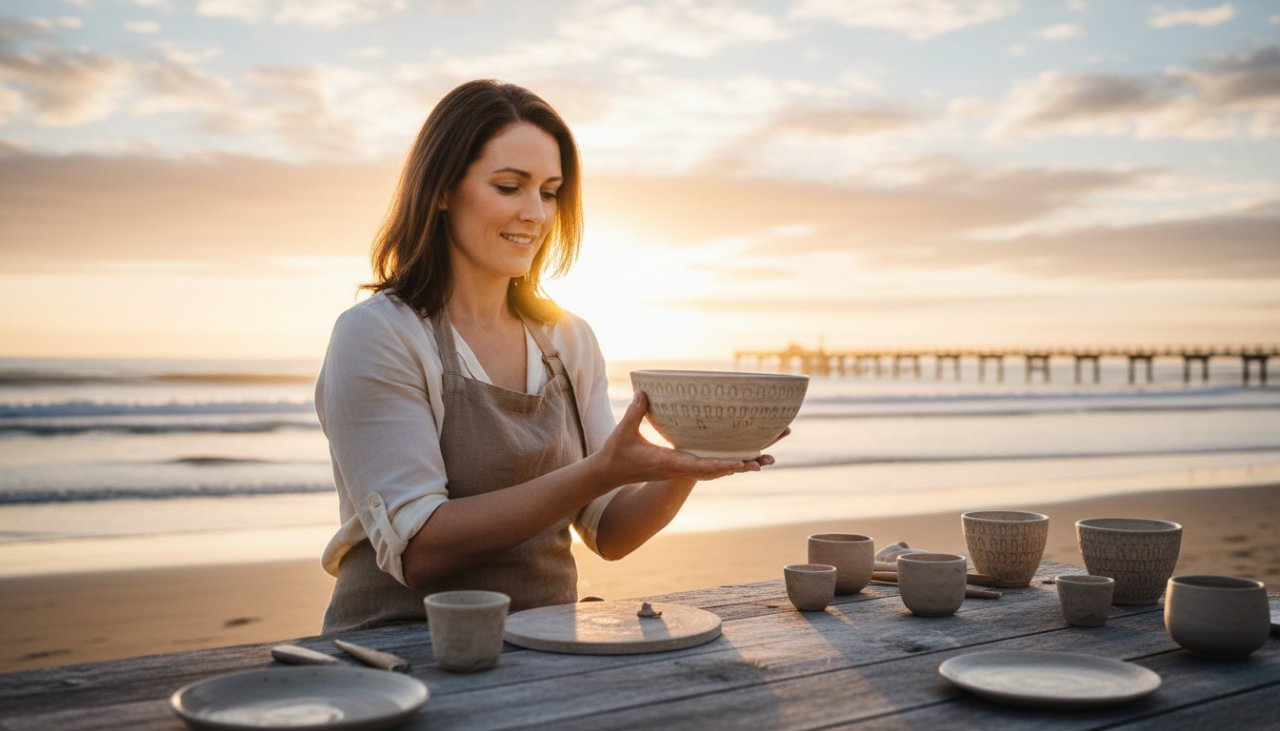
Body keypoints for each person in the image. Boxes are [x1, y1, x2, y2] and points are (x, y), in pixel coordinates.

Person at [316, 79, 783, 633]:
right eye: (509, 187)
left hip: (548, 647)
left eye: (550, 192)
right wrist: (599, 472)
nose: (536, 213)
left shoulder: (569, 339)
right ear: (441, 190)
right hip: (398, 652)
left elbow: (610, 531)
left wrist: (688, 462)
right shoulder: (378, 334)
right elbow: (420, 550)